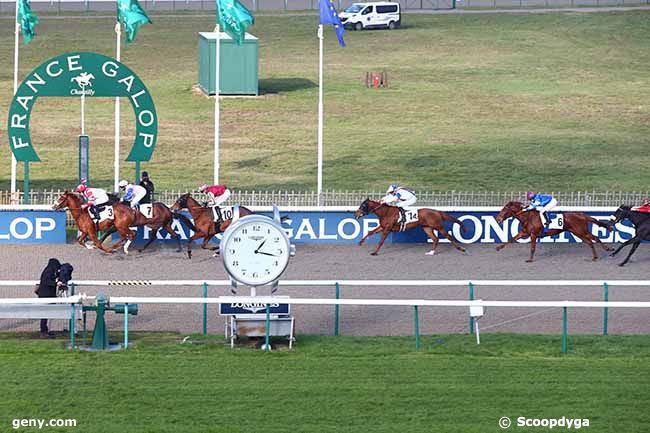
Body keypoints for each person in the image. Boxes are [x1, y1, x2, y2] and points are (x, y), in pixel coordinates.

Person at [36, 258, 60, 338]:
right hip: (45, 295)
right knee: (44, 314)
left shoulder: (48, 270)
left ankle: (45, 330)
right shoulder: (48, 271)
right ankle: (43, 332)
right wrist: (56, 284)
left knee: (46, 314)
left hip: (45, 295)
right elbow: (47, 282)